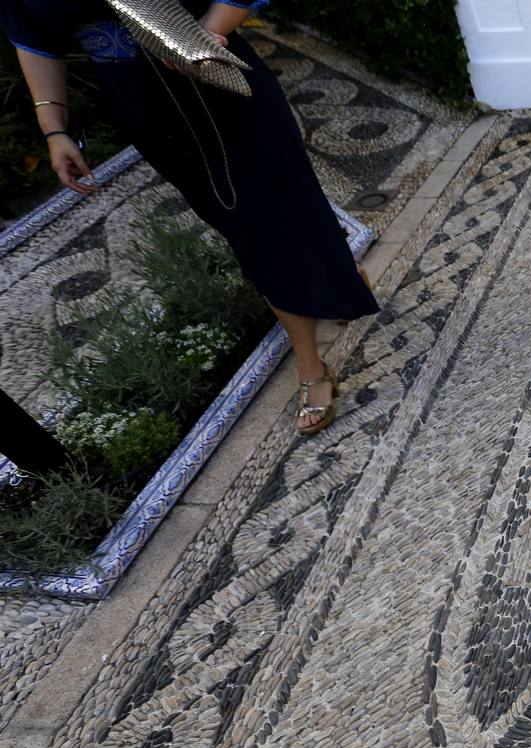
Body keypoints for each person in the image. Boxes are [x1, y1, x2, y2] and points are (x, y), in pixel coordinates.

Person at [1, 0, 378, 435]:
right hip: (152, 119)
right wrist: (55, 130)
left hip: (223, 86)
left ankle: (312, 368)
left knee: (261, 227)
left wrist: (205, 35)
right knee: (252, 223)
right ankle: (342, 274)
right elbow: (34, 42)